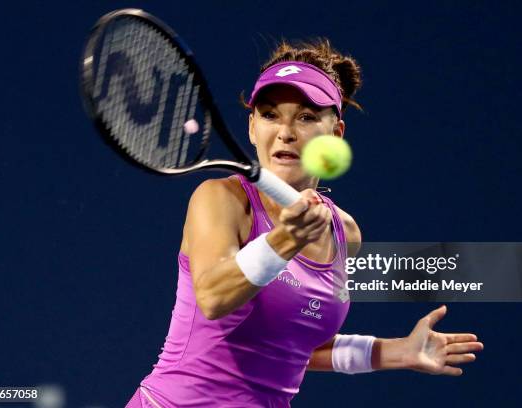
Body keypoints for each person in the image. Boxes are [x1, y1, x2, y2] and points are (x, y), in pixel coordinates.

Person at [125, 40, 483, 408]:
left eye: (306, 117)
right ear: (251, 127)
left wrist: (397, 352)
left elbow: (292, 345)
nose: (285, 132)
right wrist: (284, 241)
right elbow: (214, 298)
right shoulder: (220, 199)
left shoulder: (346, 233)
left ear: (336, 133)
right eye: (269, 114)